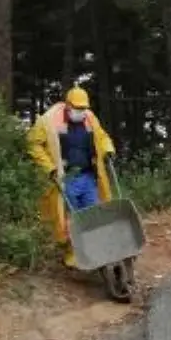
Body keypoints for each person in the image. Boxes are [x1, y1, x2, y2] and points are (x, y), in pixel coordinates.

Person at [25, 86, 117, 267]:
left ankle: (95, 252)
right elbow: (33, 144)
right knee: (70, 219)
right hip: (66, 179)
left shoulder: (90, 118)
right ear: (68, 105)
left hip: (89, 176)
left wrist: (108, 150)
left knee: (93, 214)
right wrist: (49, 167)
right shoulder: (49, 120)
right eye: (77, 108)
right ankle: (73, 254)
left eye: (84, 108)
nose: (81, 112)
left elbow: (102, 136)